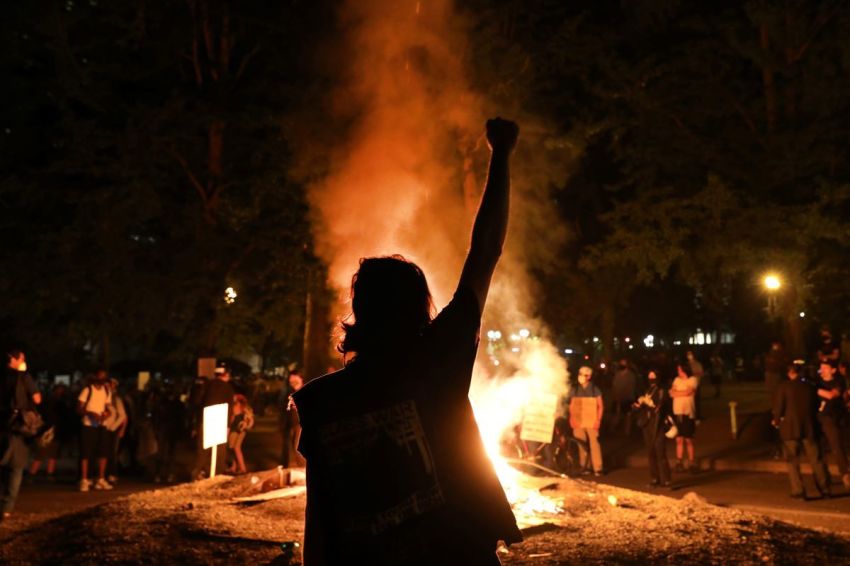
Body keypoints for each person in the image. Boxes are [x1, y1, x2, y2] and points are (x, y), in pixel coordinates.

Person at [292, 118, 522, 565]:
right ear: (420, 307)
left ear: (360, 312)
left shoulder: (319, 402)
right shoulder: (438, 360)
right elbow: (485, 253)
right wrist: (501, 154)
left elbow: (319, 518)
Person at [773, 364, 830, 498]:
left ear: (789, 373)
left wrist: (776, 420)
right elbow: (816, 406)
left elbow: (779, 407)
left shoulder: (784, 387)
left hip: (790, 428)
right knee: (816, 459)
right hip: (809, 427)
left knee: (792, 461)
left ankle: (798, 489)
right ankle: (824, 488)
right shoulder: (810, 387)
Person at [1, 349, 42, 520]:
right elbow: (38, 399)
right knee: (16, 468)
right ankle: (7, 508)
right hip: (19, 426)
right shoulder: (24, 378)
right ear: (13, 359)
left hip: (2, 424)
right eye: (22, 359)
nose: (24, 361)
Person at [193, 364, 235, 479]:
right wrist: (227, 427)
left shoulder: (206, 385)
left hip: (205, 420)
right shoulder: (228, 388)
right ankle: (216, 475)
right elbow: (229, 408)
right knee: (219, 452)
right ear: (226, 375)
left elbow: (197, 402)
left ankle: (197, 473)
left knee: (203, 450)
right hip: (220, 421)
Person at [632, 370, 671, 488]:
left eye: (653, 376)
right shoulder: (647, 390)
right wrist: (638, 405)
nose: (651, 378)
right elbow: (642, 406)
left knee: (660, 452)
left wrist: (650, 403)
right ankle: (655, 478)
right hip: (647, 424)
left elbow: (661, 405)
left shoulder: (661, 390)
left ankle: (666, 480)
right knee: (651, 453)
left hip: (658, 424)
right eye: (649, 376)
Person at [77, 370, 114, 491]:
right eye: (100, 377)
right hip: (88, 425)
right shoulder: (87, 390)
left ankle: (101, 479)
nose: (102, 380)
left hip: (101, 425)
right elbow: (79, 408)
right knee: (86, 453)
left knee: (103, 452)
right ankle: (84, 479)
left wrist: (106, 413)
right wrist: (90, 413)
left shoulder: (107, 390)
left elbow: (108, 406)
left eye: (104, 378)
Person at [815, 362, 850, 489]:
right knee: (818, 449)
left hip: (834, 418)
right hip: (819, 418)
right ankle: (824, 477)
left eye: (825, 368)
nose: (821, 370)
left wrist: (815, 389)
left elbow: (832, 394)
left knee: (837, 446)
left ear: (833, 370)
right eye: (821, 368)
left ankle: (845, 474)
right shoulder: (817, 381)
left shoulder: (838, 382)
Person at [569, 366, 604, 476]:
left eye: (584, 375)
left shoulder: (594, 389)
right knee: (581, 444)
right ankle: (585, 466)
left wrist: (598, 420)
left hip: (591, 421)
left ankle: (598, 468)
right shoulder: (575, 389)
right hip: (578, 421)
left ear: (589, 376)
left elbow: (601, 406)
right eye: (580, 374)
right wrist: (572, 419)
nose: (581, 377)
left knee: (594, 444)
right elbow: (571, 406)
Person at [670, 364, 698, 473]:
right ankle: (679, 461)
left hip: (688, 412)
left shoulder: (693, 380)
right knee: (679, 439)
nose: (678, 372)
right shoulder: (676, 380)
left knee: (688, 439)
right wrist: (681, 393)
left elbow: (689, 392)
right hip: (677, 412)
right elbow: (671, 393)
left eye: (680, 370)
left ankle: (691, 461)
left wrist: (678, 393)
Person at [102, 378, 128, 484]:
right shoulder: (103, 397)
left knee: (112, 452)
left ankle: (111, 473)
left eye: (112, 385)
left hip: (112, 429)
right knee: (104, 452)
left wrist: (116, 427)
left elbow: (123, 416)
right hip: (103, 427)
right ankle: (103, 474)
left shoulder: (116, 398)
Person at [279, 369, 304, 468]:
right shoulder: (290, 392)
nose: (291, 380)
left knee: (297, 447)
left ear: (300, 378)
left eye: (293, 378)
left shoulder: (305, 390)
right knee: (288, 447)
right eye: (290, 379)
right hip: (290, 423)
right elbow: (285, 409)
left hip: (300, 424)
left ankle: (303, 468)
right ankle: (286, 466)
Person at [609, 359, 637, 436]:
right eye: (620, 364)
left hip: (627, 398)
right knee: (616, 414)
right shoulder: (617, 374)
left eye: (623, 364)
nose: (621, 365)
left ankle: (627, 431)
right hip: (617, 397)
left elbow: (630, 388)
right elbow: (614, 385)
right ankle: (612, 428)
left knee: (628, 415)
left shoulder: (631, 375)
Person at [227, 394, 253, 474]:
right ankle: (236, 467)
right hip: (240, 430)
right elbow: (250, 420)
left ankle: (242, 468)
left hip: (236, 430)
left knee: (234, 448)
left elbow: (231, 420)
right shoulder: (245, 408)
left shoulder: (236, 408)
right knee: (234, 448)